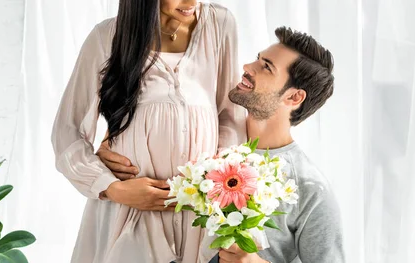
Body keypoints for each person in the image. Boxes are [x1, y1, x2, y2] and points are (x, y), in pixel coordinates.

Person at [98, 27, 345, 263]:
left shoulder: (309, 188)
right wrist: (112, 146)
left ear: (293, 97)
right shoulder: (205, 138)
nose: (248, 67)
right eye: (258, 59)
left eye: (266, 67)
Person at [51, 0, 245, 262]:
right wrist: (111, 188)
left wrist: (214, 177)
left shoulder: (219, 24)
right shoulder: (107, 37)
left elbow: (231, 116)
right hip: (126, 212)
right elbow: (67, 132)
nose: (191, 2)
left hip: (198, 215)